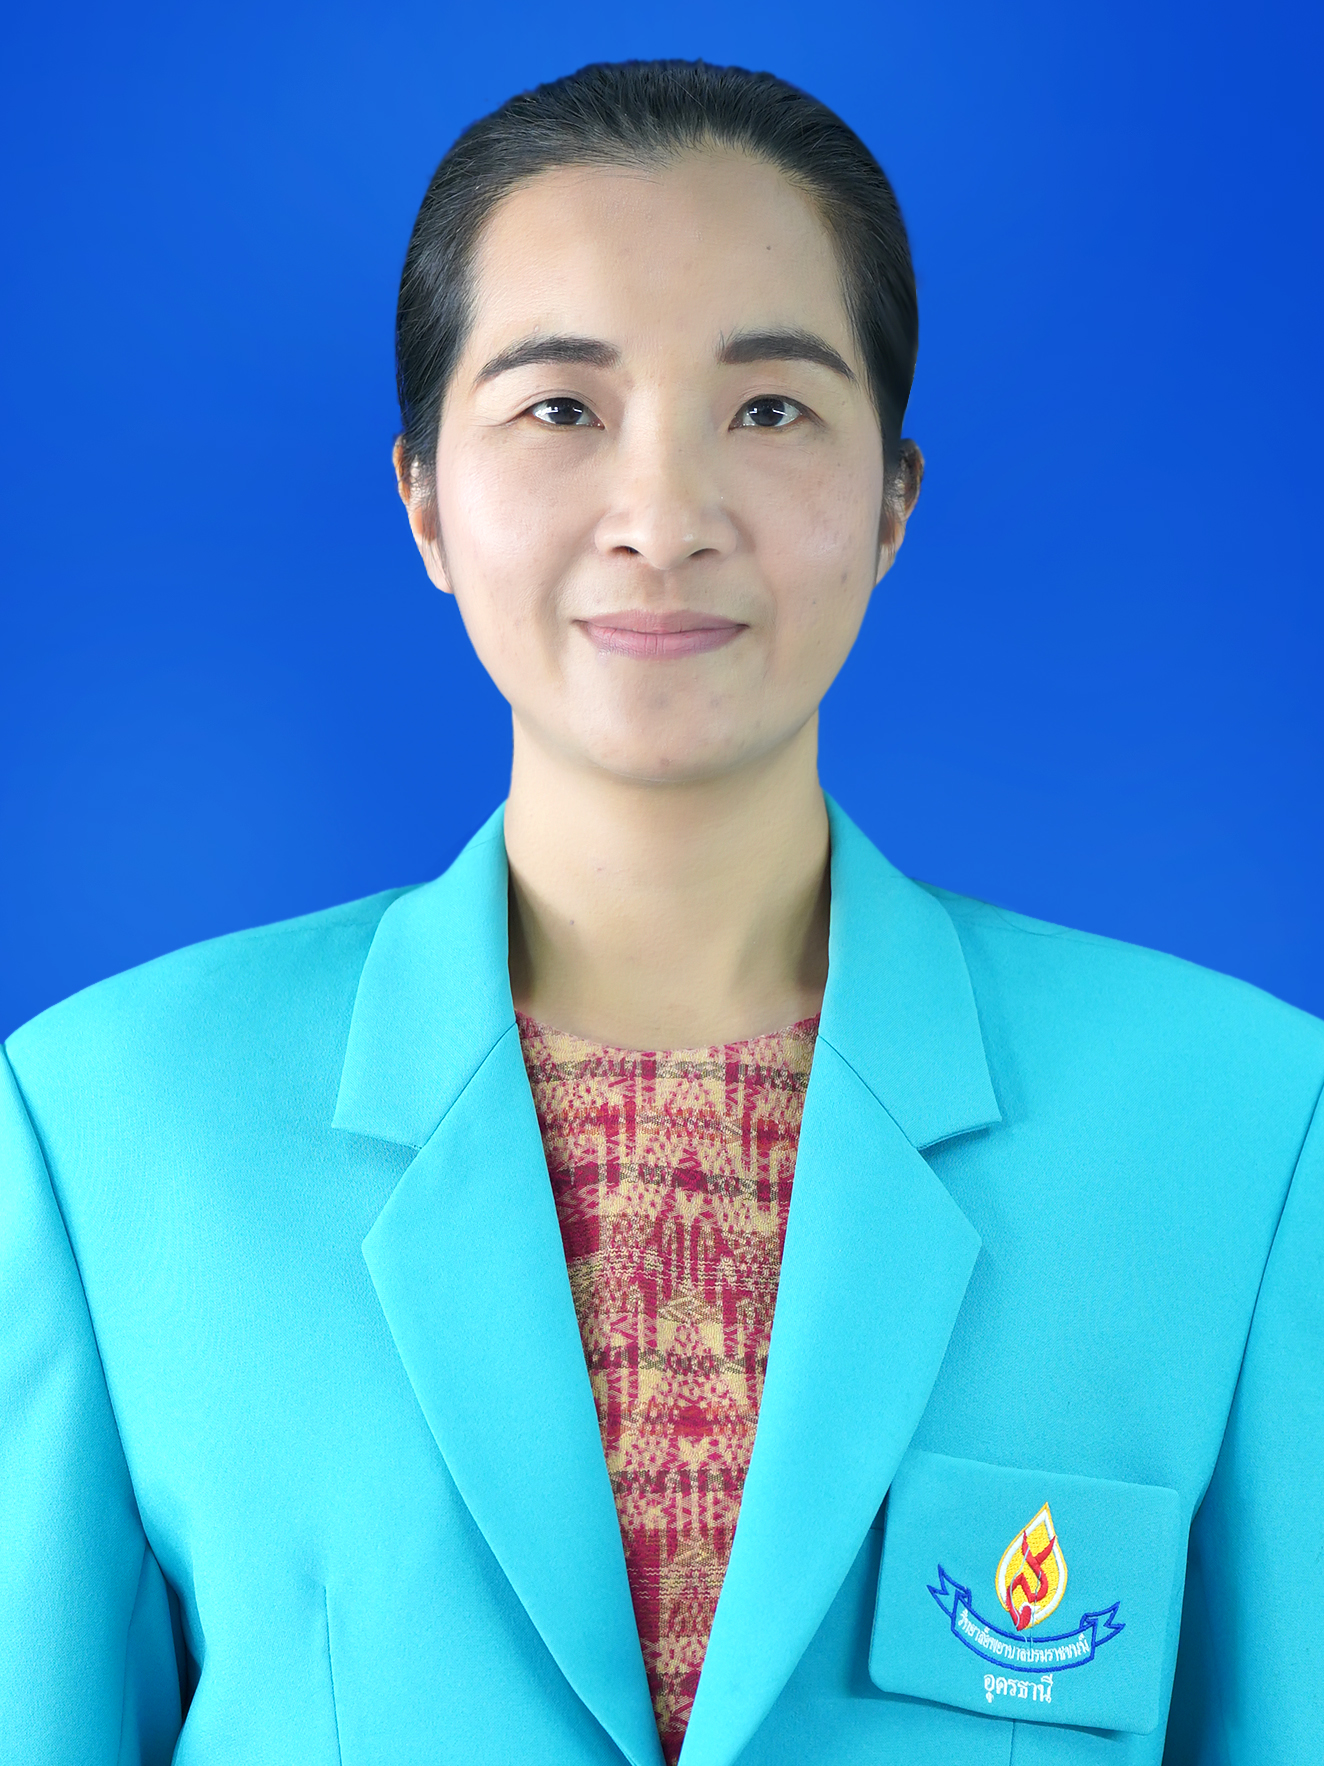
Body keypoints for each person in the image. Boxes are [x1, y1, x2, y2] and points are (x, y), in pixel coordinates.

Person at [0, 57, 1319, 1766]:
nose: (665, 519)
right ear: (424, 499)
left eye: (768, 410)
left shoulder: (1240, 1126)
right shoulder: (107, 1126)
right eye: (562, 409)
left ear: (895, 500)